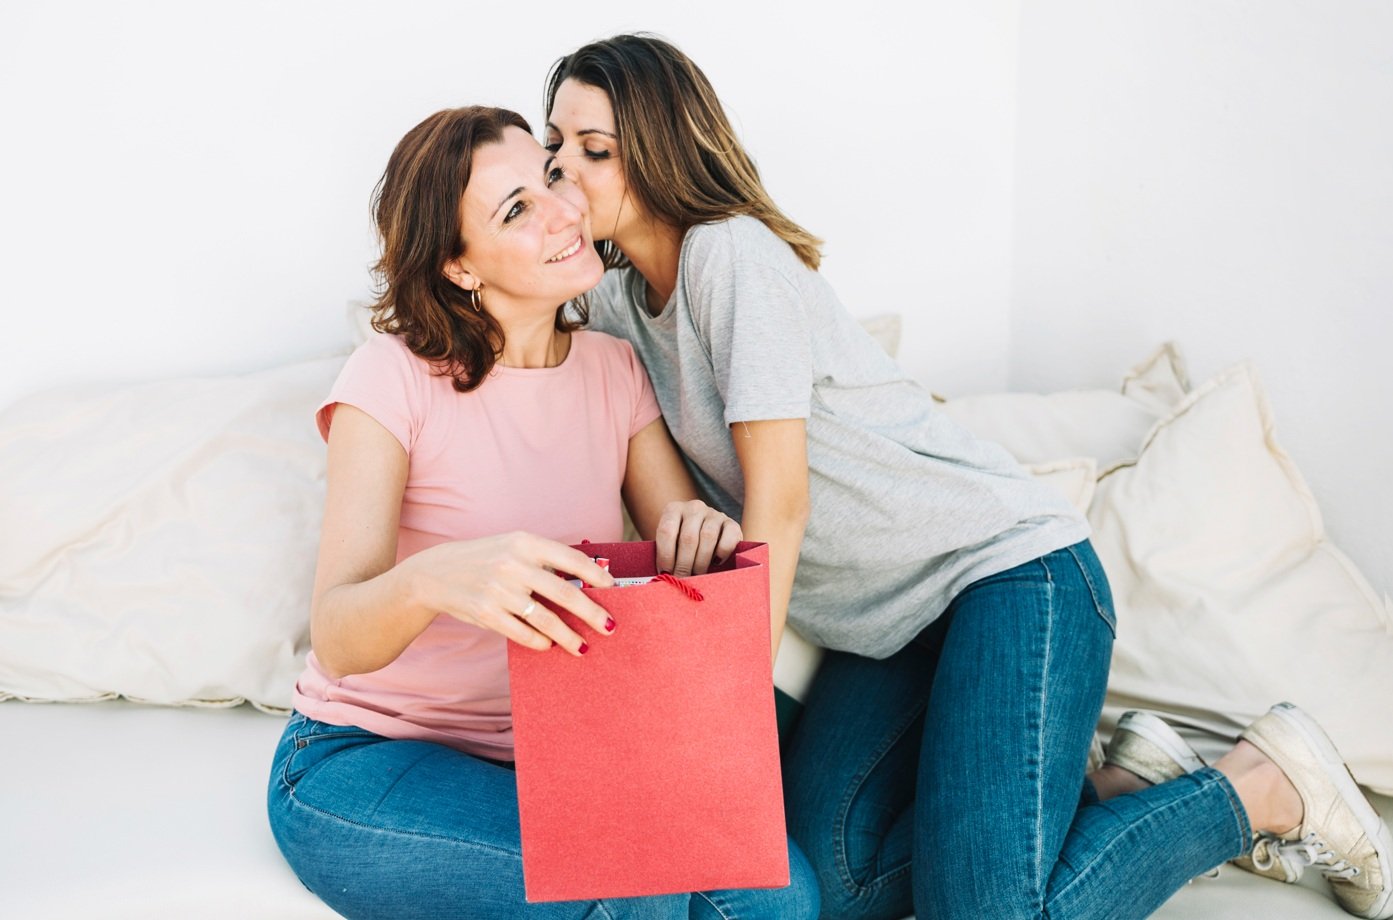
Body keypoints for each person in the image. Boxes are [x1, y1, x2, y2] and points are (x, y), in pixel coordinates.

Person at [542, 33, 1393, 920]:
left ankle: (1258, 786)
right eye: (553, 144)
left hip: (1010, 577)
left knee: (985, 913)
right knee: (835, 890)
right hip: (891, 633)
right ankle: (1124, 789)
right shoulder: (613, 310)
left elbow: (779, 504)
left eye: (595, 150)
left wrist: (725, 715)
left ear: (664, 151)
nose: (563, 169)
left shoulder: (728, 255)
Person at [265, 104, 820, 920]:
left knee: (783, 903)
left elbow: (682, 551)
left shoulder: (613, 368)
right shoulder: (389, 377)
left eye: (552, 178)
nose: (563, 210)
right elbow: (340, 638)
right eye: (516, 209)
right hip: (368, 754)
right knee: (632, 898)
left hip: (562, 748)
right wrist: (434, 579)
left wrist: (703, 535)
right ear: (459, 266)